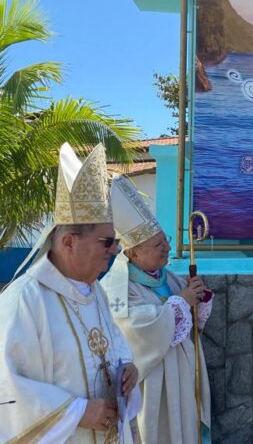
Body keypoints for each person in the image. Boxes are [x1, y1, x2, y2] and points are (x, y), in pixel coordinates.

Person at [0, 144, 142, 443]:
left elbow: (114, 347)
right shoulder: (24, 301)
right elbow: (7, 388)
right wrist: (77, 412)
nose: (116, 250)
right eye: (107, 241)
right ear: (68, 242)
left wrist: (128, 369)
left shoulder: (96, 292)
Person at [101, 175, 213, 443]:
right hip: (154, 382)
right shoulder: (118, 288)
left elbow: (191, 323)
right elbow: (134, 330)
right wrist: (182, 302)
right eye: (158, 245)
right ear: (133, 253)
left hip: (183, 376)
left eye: (166, 240)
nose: (168, 248)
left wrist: (199, 297)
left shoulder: (167, 277)